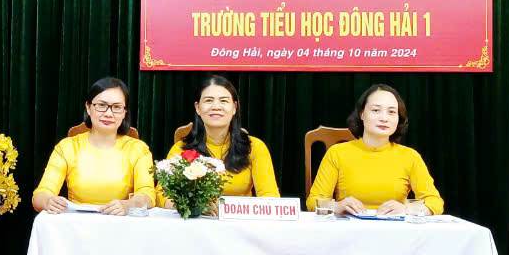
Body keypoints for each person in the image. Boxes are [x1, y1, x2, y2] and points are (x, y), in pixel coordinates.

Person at [307, 84, 444, 215]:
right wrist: (336, 206)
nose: (384, 118)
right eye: (376, 110)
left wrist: (407, 209)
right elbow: (313, 201)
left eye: (391, 112)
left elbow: (435, 202)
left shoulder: (410, 156)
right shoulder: (337, 153)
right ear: (362, 113)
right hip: (349, 228)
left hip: (395, 228)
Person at [32, 77, 155, 216]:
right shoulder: (67, 147)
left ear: (124, 113)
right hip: (77, 224)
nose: (108, 114)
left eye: (117, 107)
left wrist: (128, 205)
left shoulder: (138, 149)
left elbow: (148, 196)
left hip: (121, 222)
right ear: (88, 108)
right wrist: (48, 201)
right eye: (101, 105)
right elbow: (40, 195)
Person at [159, 75, 278, 208]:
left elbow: (270, 196)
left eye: (224, 101)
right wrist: (196, 205)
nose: (216, 107)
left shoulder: (254, 147)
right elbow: (162, 196)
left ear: (234, 107)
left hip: (240, 219)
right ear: (197, 108)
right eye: (209, 100)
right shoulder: (181, 148)